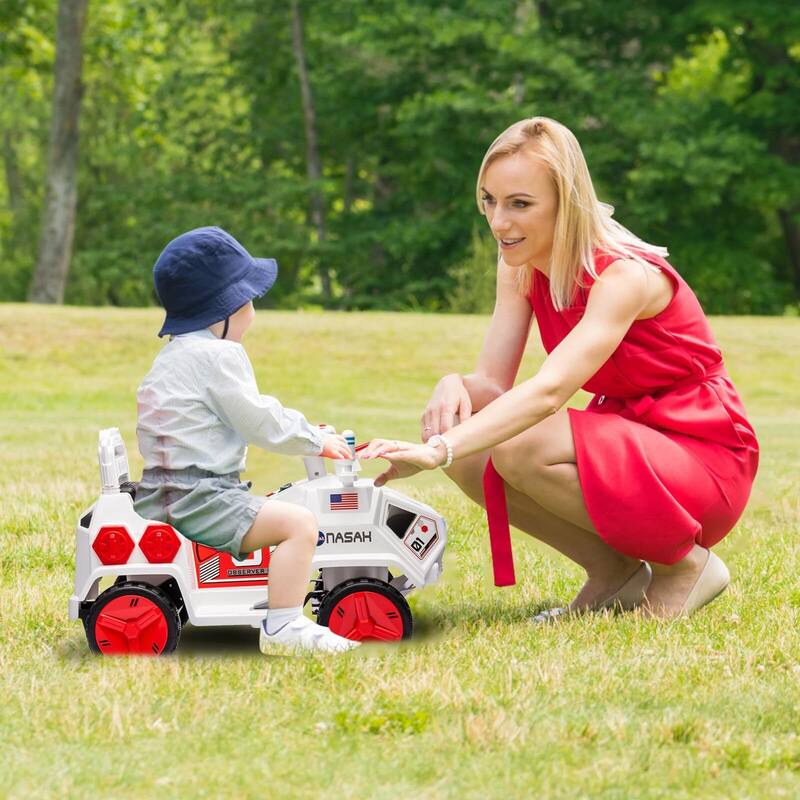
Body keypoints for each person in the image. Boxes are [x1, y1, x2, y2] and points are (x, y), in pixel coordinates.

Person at [363, 117, 759, 620]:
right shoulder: (520, 266)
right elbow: (492, 385)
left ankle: (686, 565)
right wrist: (453, 387)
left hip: (702, 453)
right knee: (471, 451)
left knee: (513, 443)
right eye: (489, 200)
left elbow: (550, 391)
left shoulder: (624, 275)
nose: (498, 222)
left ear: (566, 202)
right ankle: (615, 573)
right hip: (630, 442)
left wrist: (437, 449)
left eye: (520, 204)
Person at [134, 226, 360, 652]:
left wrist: (309, 431)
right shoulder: (219, 356)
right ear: (223, 309)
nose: (252, 310)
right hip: (200, 496)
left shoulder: (175, 355)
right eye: (247, 300)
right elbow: (259, 421)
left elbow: (251, 414)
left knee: (281, 508)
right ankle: (284, 625)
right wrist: (315, 441)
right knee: (299, 524)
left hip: (167, 489)